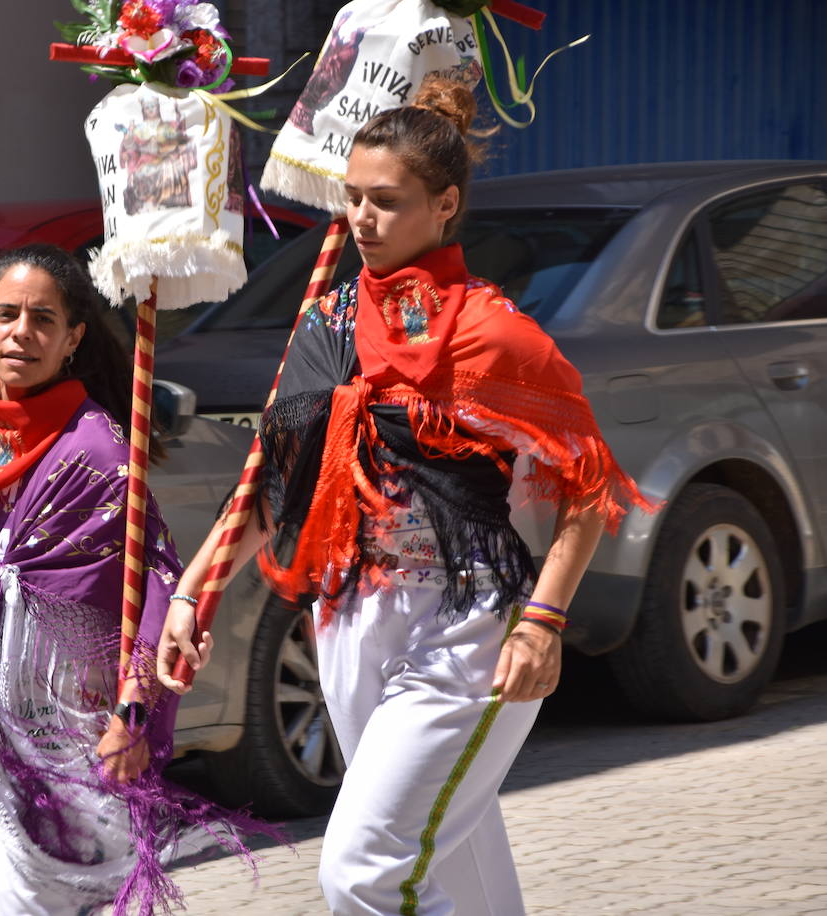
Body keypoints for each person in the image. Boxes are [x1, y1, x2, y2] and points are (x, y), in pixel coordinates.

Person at [158, 77, 656, 915]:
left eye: (386, 202)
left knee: (364, 871)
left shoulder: (492, 333)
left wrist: (545, 621)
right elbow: (277, 482)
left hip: (464, 631)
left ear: (445, 205)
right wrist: (193, 590)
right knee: (452, 860)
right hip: (348, 619)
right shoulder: (328, 321)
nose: (361, 219)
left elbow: (588, 482)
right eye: (351, 198)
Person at [0, 244, 253, 916]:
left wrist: (135, 705)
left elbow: (153, 581)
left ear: (73, 339)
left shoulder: (100, 451)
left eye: (43, 319)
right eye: (7, 314)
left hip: (61, 744)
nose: (22, 332)